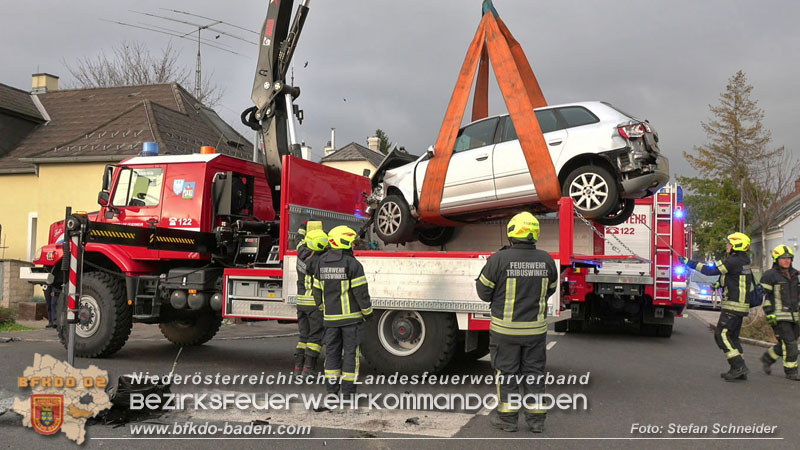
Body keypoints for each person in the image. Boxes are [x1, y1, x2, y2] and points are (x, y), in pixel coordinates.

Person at [476, 212, 558, 433]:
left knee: (507, 374)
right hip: (535, 332)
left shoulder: (499, 259)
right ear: (535, 233)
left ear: (512, 232)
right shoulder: (547, 260)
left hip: (505, 332)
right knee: (534, 373)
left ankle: (508, 420)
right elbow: (550, 290)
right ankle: (537, 421)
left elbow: (483, 293)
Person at [681, 232, 753, 381]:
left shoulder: (732, 261)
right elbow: (735, 278)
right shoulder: (744, 261)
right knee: (733, 337)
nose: (727, 245)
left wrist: (689, 262)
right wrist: (720, 283)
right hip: (741, 305)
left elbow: (709, 270)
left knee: (721, 334)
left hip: (733, 305)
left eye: (730, 243)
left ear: (736, 245)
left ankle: (738, 365)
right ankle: (740, 369)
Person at [313, 226, 373, 397]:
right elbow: (361, 294)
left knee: (331, 354)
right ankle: (348, 393)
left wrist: (324, 309)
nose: (354, 246)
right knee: (350, 355)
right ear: (344, 241)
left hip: (330, 321)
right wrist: (368, 313)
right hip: (351, 321)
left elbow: (316, 291)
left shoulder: (321, 263)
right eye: (352, 242)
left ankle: (331, 392)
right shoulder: (352, 264)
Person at [759, 245, 799, 381]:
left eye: (789, 258)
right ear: (776, 259)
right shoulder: (770, 276)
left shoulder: (796, 275)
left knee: (786, 343)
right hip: (779, 316)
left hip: (795, 316)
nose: (786, 261)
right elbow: (765, 297)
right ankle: (791, 371)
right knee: (791, 344)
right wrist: (769, 312)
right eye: (783, 258)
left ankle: (768, 358)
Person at [294, 225, 329, 376]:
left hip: (301, 302)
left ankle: (297, 368)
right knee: (315, 337)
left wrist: (303, 228)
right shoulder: (317, 262)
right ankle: (309, 369)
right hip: (313, 304)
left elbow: (299, 240)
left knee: (303, 337)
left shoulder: (301, 253)